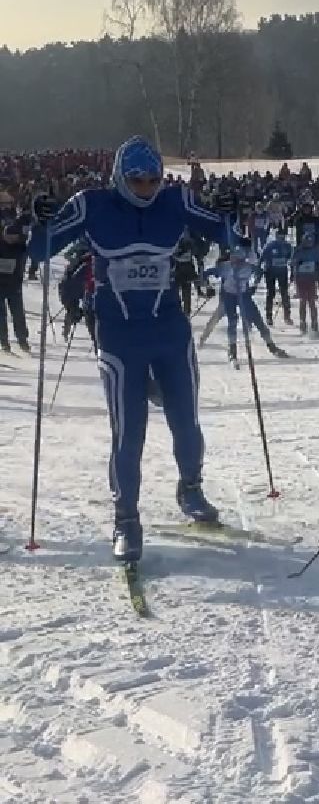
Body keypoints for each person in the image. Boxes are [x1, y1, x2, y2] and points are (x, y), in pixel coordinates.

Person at [29, 137, 233, 562]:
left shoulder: (175, 201)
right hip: (120, 336)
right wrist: (41, 221)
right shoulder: (93, 205)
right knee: (129, 431)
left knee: (185, 419)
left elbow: (226, 232)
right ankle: (126, 518)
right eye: (137, 181)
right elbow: (41, 249)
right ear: (121, 178)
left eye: (153, 181)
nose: (146, 189)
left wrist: (230, 214)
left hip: (169, 330)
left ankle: (191, 487)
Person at [0, 220, 29, 353]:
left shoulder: (21, 246)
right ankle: (4, 342)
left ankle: (22, 340)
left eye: (14, 236)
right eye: (8, 236)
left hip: (14, 286)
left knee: (18, 315)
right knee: (1, 316)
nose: (11, 239)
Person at [291, 231, 319, 337]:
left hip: (311, 278)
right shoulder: (298, 250)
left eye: (311, 241)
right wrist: (297, 264)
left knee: (312, 302)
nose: (309, 243)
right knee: (303, 301)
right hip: (301, 279)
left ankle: (314, 324)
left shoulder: (315, 251)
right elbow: (293, 263)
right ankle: (303, 323)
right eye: (307, 241)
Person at [261, 227, 294, 326]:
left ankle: (287, 315)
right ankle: (269, 316)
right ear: (276, 236)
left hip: (282, 272)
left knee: (284, 293)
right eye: (279, 236)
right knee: (270, 293)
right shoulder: (270, 246)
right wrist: (259, 270)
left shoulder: (288, 247)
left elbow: (292, 260)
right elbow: (262, 257)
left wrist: (292, 272)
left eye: (283, 237)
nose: (281, 239)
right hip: (270, 272)